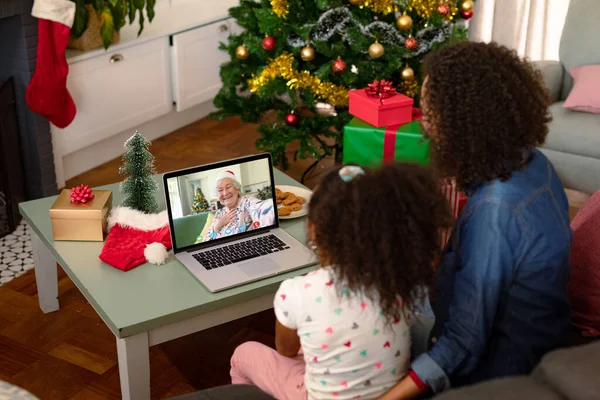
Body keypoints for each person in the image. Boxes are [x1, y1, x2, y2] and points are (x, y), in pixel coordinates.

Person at [378, 42, 573, 400]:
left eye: (431, 113)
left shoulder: (494, 212)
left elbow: (462, 344)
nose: (425, 123)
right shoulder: (535, 162)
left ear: (465, 122)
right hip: (544, 335)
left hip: (498, 372)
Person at [229, 163, 453, 400]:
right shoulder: (399, 281)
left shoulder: (295, 292)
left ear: (313, 229)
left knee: (243, 354)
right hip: (387, 391)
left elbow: (285, 350)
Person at [203, 170, 275, 242]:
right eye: (220, 190)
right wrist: (218, 225)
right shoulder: (218, 214)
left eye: (228, 187)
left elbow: (262, 209)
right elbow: (205, 241)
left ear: (237, 189)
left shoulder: (246, 202)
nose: (225, 193)